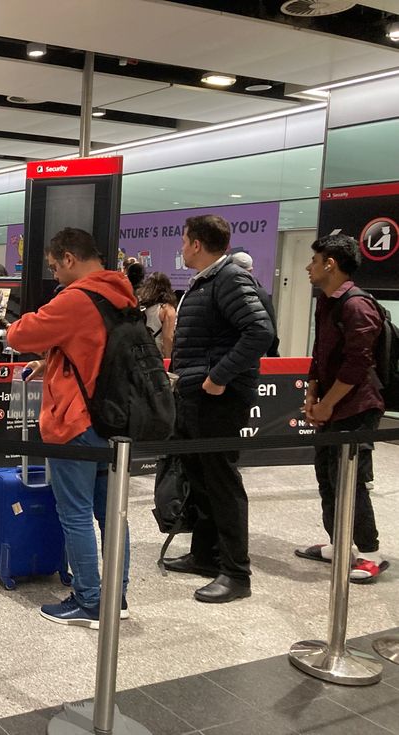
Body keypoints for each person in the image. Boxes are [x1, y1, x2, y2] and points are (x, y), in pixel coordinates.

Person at [7, 228, 132, 628]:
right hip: (112, 418)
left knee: (75, 512)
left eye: (54, 266)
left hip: (75, 421)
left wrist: (46, 319)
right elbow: (94, 352)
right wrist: (52, 361)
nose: (55, 275)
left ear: (69, 258)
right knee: (111, 513)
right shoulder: (121, 293)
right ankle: (116, 596)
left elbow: (19, 334)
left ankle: (89, 600)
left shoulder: (76, 298)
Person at [163, 215, 274, 603]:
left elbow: (260, 331)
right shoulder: (207, 280)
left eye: (184, 240)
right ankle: (206, 556)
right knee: (201, 479)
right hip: (196, 397)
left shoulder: (229, 278)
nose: (181, 247)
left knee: (222, 483)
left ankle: (236, 573)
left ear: (197, 244)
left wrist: (219, 376)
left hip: (218, 400)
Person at [297, 234, 388, 582]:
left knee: (351, 481)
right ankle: (340, 543)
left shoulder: (356, 305)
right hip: (331, 406)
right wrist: (312, 397)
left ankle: (370, 552)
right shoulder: (327, 302)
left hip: (357, 408)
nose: (309, 267)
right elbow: (319, 353)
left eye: (314, 260)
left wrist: (328, 404)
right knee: (327, 475)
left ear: (330, 264)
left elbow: (357, 365)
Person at [231, 251, 280, 357]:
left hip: (228, 354)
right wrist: (273, 354)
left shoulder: (221, 291)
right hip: (254, 352)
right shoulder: (260, 292)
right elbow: (271, 326)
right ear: (251, 270)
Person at [136, 271, 177, 359]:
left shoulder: (138, 304)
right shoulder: (167, 309)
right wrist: (169, 359)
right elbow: (168, 338)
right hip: (156, 354)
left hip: (138, 352)